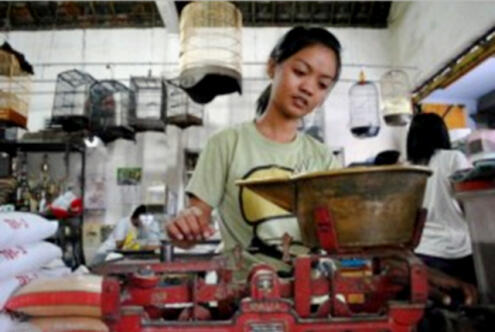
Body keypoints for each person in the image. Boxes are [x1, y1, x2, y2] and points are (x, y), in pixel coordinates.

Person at [166, 26, 342, 277]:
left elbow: (341, 233)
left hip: (313, 301)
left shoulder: (323, 159)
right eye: (300, 72)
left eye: (322, 84)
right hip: (245, 302)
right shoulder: (226, 144)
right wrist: (186, 225)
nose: (309, 88)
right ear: (272, 67)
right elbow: (196, 222)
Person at [407, 113, 476, 286]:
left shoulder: (407, 167)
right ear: (442, 133)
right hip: (457, 250)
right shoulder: (453, 158)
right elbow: (469, 203)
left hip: (422, 251)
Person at [91, 205, 161, 265]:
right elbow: (119, 244)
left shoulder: (142, 228)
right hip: (105, 254)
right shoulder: (123, 222)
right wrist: (138, 245)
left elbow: (153, 244)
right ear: (137, 217)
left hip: (121, 257)